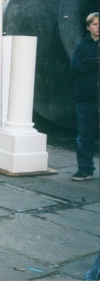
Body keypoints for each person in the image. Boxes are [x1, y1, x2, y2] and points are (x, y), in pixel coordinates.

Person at [70, 12, 99, 181]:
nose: (98, 27)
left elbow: (83, 66)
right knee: (85, 135)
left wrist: (89, 62)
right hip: (86, 98)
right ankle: (85, 169)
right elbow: (75, 68)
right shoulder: (82, 47)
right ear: (88, 27)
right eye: (95, 24)